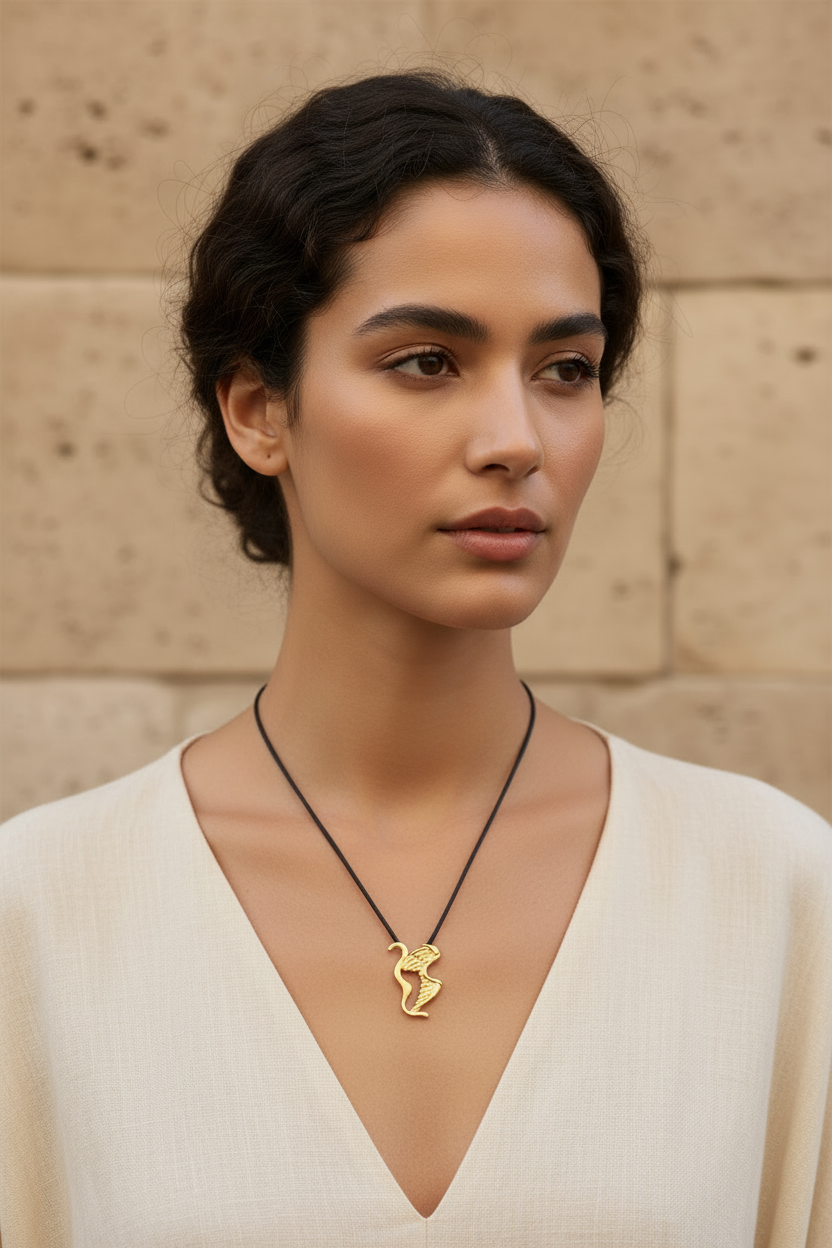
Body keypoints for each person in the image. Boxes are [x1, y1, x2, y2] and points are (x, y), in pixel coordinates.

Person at [0, 70, 829, 1247]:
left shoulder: (775, 893)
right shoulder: (41, 913)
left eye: (565, 370)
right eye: (427, 361)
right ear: (258, 410)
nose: (515, 441)